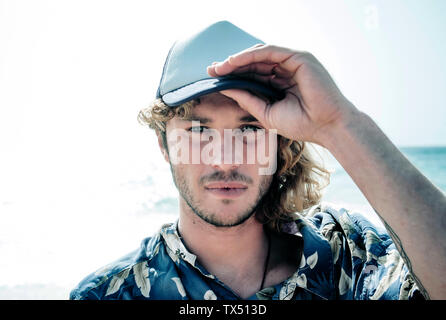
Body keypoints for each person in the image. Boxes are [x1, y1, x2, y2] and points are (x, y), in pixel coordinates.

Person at [70, 21, 446, 300]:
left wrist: (339, 124)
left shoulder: (346, 253)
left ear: (279, 143)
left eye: (249, 130)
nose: (225, 158)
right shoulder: (112, 293)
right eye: (199, 130)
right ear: (164, 144)